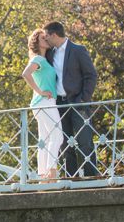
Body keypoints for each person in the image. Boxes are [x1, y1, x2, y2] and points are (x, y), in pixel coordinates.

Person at [43, 21, 98, 177]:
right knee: (64, 142)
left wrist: (83, 99)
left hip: (78, 101)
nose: (46, 40)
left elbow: (91, 75)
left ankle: (90, 176)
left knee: (85, 140)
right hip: (59, 103)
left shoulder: (78, 50)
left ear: (54, 35)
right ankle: (71, 177)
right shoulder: (50, 53)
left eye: (47, 36)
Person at [21, 28, 63, 180]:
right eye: (42, 38)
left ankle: (42, 177)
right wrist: (40, 91)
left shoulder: (44, 60)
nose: (46, 39)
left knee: (44, 140)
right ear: (37, 43)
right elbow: (25, 74)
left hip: (42, 104)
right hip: (44, 102)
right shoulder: (38, 59)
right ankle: (51, 174)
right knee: (57, 136)